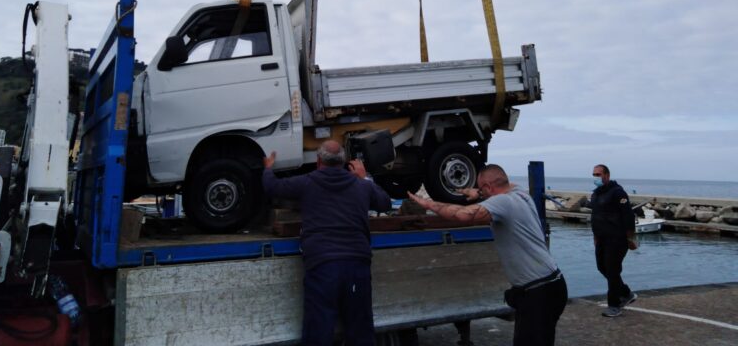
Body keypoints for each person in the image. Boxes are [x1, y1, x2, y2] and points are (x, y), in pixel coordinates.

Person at [408, 164, 567, 346]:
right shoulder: (520, 193)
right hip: (553, 284)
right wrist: (479, 192)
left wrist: (428, 204)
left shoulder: (502, 202)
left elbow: (462, 215)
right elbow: (502, 184)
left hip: (538, 293)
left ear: (489, 187)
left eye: (483, 189)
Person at [262, 140, 392, 346]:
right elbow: (385, 202)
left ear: (318, 161)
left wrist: (268, 168)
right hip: (357, 265)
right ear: (343, 162)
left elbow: (272, 187)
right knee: (361, 330)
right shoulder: (361, 185)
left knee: (319, 331)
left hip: (322, 266)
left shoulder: (307, 182)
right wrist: (365, 177)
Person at [590, 164, 638, 317]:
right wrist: (595, 237)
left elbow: (628, 216)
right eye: (594, 174)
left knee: (612, 269)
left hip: (617, 239)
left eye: (598, 174)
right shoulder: (595, 194)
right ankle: (626, 293)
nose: (596, 177)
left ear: (607, 175)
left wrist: (630, 238)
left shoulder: (618, 193)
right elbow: (595, 218)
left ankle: (614, 305)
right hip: (601, 238)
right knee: (602, 267)